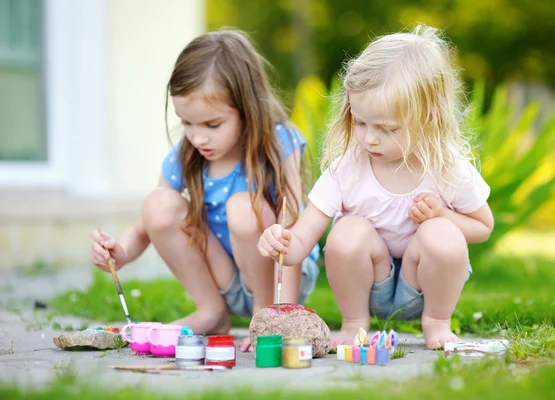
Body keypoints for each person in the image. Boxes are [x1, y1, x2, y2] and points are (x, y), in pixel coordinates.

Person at [257, 25, 494, 350]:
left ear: (428, 118)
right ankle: (355, 323)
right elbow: (302, 240)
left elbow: (483, 226)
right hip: (367, 287)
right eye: (361, 122)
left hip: (425, 287)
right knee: (348, 229)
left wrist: (443, 214)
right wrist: (282, 242)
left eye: (386, 128)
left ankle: (437, 323)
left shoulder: (445, 166)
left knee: (442, 232)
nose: (369, 138)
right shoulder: (348, 168)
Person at [90, 29, 320, 345]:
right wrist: (122, 251)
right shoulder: (186, 155)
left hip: (278, 273)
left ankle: (264, 316)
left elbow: (292, 225)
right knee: (159, 203)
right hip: (223, 274)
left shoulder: (279, 142)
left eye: (212, 125)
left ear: (248, 108)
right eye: (187, 123)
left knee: (242, 207)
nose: (198, 138)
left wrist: (283, 316)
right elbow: (148, 225)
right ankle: (211, 311)